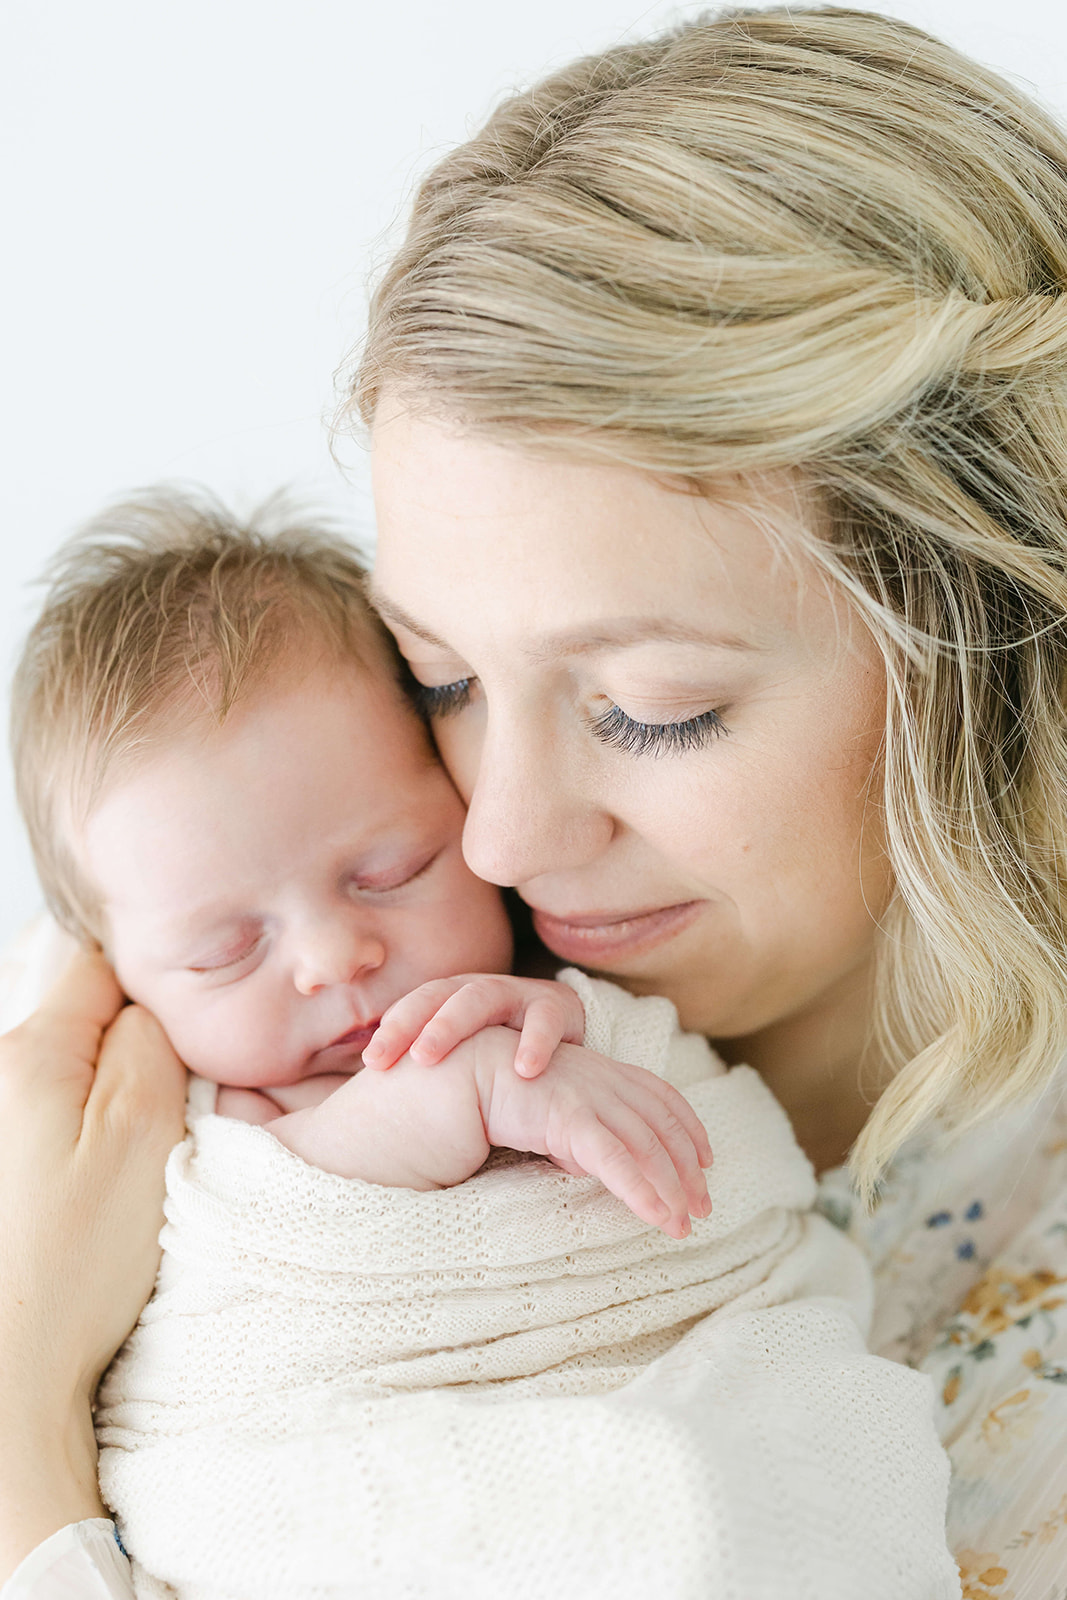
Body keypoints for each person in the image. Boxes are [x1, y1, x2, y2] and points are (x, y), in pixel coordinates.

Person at [4, 3, 1067, 1594]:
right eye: (438, 676)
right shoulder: (231, 1023)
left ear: (993, 655)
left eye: (654, 712)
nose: (494, 836)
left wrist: (19, 1414)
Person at [1, 493, 953, 1598]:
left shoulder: (575, 996)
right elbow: (266, 1227)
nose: (330, 956)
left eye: (390, 871)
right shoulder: (148, 1116)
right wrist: (458, 1091)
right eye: (222, 949)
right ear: (111, 969)